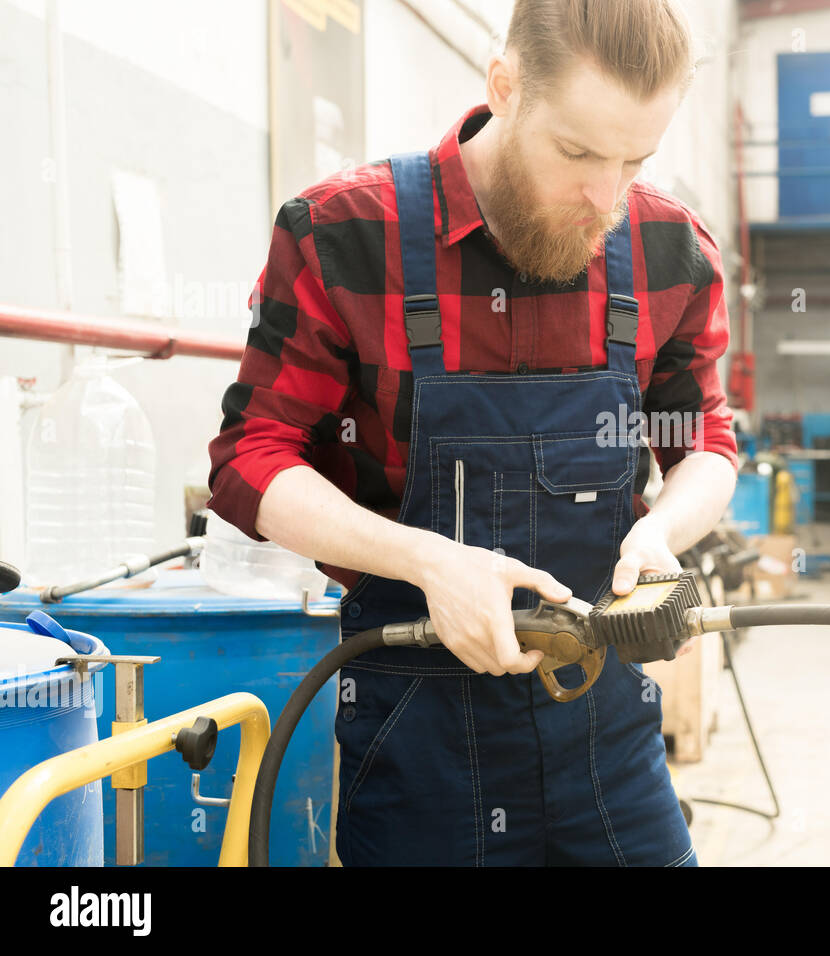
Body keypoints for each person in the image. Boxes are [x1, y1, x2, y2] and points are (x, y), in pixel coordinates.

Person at [207, 0, 738, 866]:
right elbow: (252, 458)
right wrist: (429, 561)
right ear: (505, 86)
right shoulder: (344, 233)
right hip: (419, 735)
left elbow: (707, 441)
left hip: (608, 732)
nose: (605, 197)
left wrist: (661, 532)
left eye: (633, 159)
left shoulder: (669, 247)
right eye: (576, 152)